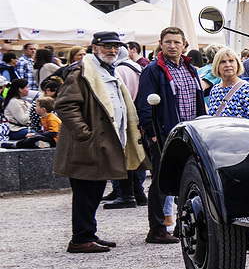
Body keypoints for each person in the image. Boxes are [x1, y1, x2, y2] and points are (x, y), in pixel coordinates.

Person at [52, 31, 144, 254]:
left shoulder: (105, 70)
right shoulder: (81, 71)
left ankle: (88, 234)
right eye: (107, 47)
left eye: (115, 47)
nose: (112, 51)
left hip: (101, 145)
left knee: (94, 192)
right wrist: (84, 133)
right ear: (95, 48)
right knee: (85, 194)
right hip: (86, 146)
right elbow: (64, 105)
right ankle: (80, 238)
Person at [136, 26, 206, 245]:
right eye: (168, 42)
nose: (172, 46)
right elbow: (144, 105)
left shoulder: (190, 69)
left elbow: (198, 100)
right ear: (161, 43)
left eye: (177, 42)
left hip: (190, 133)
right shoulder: (153, 70)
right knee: (160, 181)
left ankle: (182, 225)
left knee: (186, 179)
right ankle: (156, 229)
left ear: (184, 45)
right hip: (165, 134)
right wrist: (155, 135)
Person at [103, 46, 148, 207]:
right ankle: (139, 194)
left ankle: (126, 195)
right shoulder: (136, 66)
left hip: (124, 115)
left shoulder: (118, 70)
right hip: (136, 112)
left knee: (122, 156)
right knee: (133, 155)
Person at [204, 47, 249, 121]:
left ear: (237, 64)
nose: (227, 65)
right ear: (217, 66)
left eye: (231, 61)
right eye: (223, 62)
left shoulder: (247, 89)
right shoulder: (215, 90)